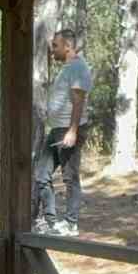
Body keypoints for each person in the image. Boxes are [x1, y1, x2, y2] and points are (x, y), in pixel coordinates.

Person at [33, 29, 92, 236]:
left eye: (55, 46)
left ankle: (71, 223)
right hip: (57, 129)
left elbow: (78, 101)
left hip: (68, 130)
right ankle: (51, 221)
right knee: (41, 174)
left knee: (70, 177)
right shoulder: (67, 67)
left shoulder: (78, 67)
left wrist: (72, 131)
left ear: (68, 46)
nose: (52, 50)